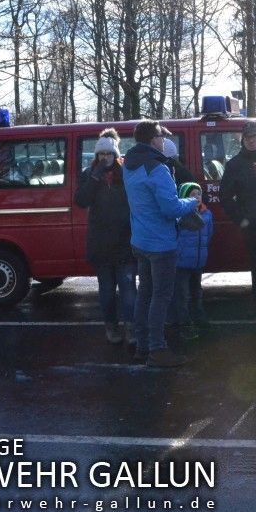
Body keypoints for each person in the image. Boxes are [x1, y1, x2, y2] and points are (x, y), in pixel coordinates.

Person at [123, 120, 199, 368]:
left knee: (144, 294)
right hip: (161, 243)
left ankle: (142, 346)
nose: (164, 140)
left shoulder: (130, 165)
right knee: (161, 296)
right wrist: (192, 201)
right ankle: (158, 349)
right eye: (161, 137)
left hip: (140, 241)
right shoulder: (157, 168)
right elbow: (171, 208)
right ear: (154, 140)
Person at [74, 128, 137, 346]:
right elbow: (81, 200)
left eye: (109, 154)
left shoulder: (126, 173)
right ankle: (111, 327)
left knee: (129, 289)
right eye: (101, 154)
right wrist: (94, 178)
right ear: (96, 156)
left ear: (116, 155)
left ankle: (131, 328)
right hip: (100, 244)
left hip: (125, 241)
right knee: (107, 291)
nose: (105, 158)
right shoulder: (89, 174)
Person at [219, 121, 256, 303]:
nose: (250, 141)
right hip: (253, 225)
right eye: (247, 137)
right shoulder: (235, 164)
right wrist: (241, 219)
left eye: (254, 136)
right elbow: (224, 196)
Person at [168, 182, 213, 340]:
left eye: (198, 194)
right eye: (192, 194)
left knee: (196, 292)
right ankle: (183, 324)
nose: (196, 197)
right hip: (181, 263)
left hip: (198, 262)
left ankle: (198, 319)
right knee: (181, 294)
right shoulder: (179, 216)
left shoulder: (207, 214)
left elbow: (209, 235)